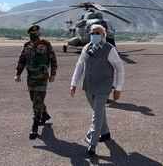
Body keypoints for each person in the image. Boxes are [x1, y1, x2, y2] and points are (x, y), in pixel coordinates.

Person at [70, 24, 125, 156]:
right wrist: (73, 84)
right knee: (98, 111)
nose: (94, 35)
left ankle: (92, 143)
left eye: (98, 32)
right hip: (89, 85)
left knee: (97, 115)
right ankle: (105, 133)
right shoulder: (86, 48)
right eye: (93, 32)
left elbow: (120, 68)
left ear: (103, 35)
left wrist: (118, 88)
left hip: (103, 86)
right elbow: (80, 65)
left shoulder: (109, 49)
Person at [15, 25, 58, 140]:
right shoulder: (27, 46)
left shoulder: (46, 45)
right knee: (34, 99)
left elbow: (53, 59)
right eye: (32, 33)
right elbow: (22, 60)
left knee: (37, 102)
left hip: (42, 77)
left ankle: (35, 126)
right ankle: (44, 114)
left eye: (36, 33)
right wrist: (18, 73)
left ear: (39, 33)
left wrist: (53, 74)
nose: (34, 35)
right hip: (31, 78)